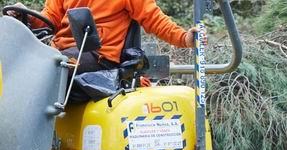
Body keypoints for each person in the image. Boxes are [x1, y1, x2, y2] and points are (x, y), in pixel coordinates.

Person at [10, 0, 197, 74]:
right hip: (63, 50)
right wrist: (26, 15)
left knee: (50, 70)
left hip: (100, 55)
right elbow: (50, 18)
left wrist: (184, 38)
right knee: (19, 66)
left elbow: (155, 19)